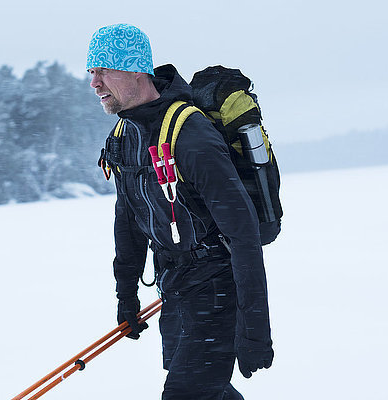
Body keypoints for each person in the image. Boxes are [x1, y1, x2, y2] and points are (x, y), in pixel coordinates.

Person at [87, 24, 273, 400]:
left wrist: (255, 327)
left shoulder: (190, 134)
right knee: (209, 392)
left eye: (104, 70)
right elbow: (128, 221)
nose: (95, 83)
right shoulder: (125, 137)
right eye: (92, 73)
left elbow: (243, 233)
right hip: (175, 284)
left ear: (135, 69)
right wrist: (127, 295)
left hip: (218, 287)